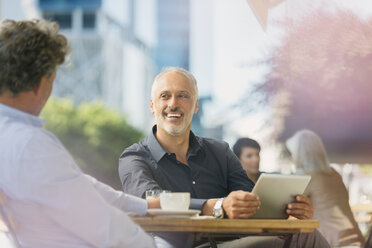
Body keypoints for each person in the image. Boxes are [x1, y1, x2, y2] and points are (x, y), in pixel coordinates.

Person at [119, 67, 330, 248]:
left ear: (195, 106)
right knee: (281, 244)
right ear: (152, 105)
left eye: (183, 95)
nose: (173, 103)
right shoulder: (134, 157)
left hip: (236, 240)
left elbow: (252, 199)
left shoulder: (219, 150)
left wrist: (288, 209)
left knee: (306, 234)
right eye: (165, 96)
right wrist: (214, 206)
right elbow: (146, 200)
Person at [0, 19, 157, 248]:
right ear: (41, 83)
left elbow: (81, 185)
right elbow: (106, 228)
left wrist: (145, 206)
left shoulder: (12, 138)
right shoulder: (29, 145)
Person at [286, 129, 365, 247]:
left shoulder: (305, 177)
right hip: (356, 239)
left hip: (333, 243)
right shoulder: (335, 174)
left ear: (300, 154)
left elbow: (286, 209)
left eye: (293, 153)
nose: (292, 156)